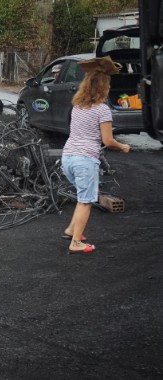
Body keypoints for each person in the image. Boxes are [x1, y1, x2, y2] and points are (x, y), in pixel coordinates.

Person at [61, 56, 130, 254]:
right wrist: (123, 146)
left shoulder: (77, 107)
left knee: (82, 196)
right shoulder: (102, 110)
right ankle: (75, 243)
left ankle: (72, 229)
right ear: (103, 89)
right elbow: (107, 140)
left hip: (68, 158)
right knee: (86, 201)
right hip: (85, 159)